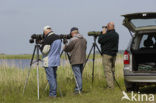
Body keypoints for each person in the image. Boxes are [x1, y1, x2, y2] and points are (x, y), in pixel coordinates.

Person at [63, 27, 87, 94]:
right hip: (82, 59)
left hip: (75, 59)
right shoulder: (84, 39)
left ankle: (78, 90)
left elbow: (68, 48)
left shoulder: (74, 40)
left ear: (72, 33)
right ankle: (78, 88)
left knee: (77, 75)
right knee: (79, 74)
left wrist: (65, 45)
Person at [41, 26, 62, 98]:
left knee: (51, 78)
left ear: (45, 31)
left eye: (44, 33)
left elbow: (44, 51)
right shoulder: (58, 37)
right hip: (56, 60)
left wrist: (41, 45)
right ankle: (53, 93)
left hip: (49, 60)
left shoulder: (48, 38)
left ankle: (52, 94)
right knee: (54, 77)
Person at [98, 22, 119, 89]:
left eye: (106, 27)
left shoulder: (107, 34)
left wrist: (102, 33)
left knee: (107, 70)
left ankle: (110, 86)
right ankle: (112, 84)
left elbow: (100, 40)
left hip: (107, 54)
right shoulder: (116, 34)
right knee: (112, 69)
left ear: (109, 27)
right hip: (114, 54)